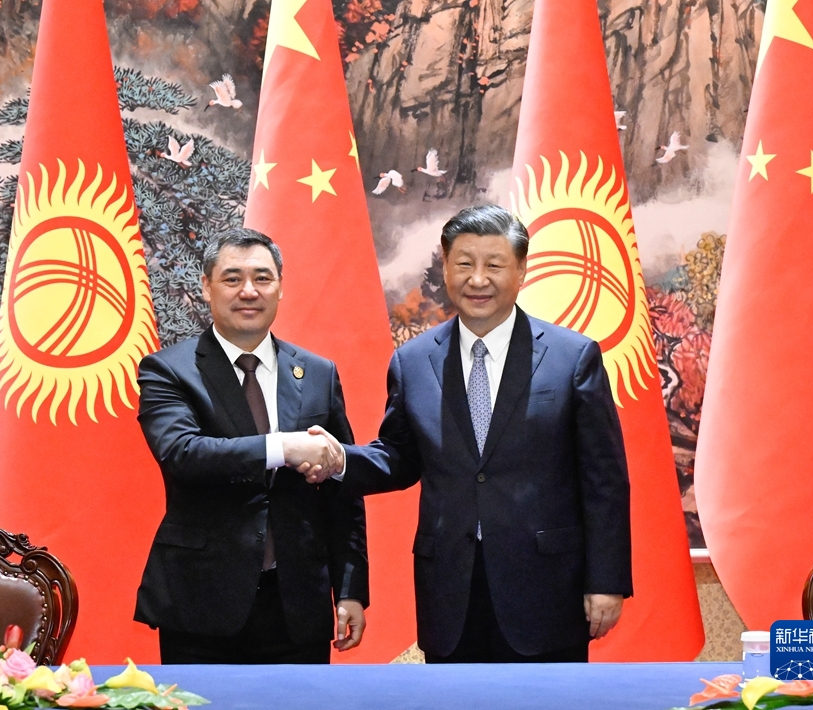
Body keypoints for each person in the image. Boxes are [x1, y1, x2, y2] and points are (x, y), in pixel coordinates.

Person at [305, 204, 632, 663]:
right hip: (449, 589)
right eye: (464, 264)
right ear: (445, 267)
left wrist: (606, 581)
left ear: (521, 269)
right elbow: (399, 458)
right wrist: (340, 459)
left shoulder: (571, 357)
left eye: (494, 265)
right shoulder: (413, 361)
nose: (478, 280)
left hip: (545, 587)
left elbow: (604, 481)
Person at [134, 227, 366, 664]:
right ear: (207, 286)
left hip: (298, 603)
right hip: (202, 604)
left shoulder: (318, 373)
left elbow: (342, 491)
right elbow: (183, 455)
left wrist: (352, 588)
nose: (248, 291)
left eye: (262, 278)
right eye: (232, 278)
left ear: (280, 287)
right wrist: (282, 448)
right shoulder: (168, 370)